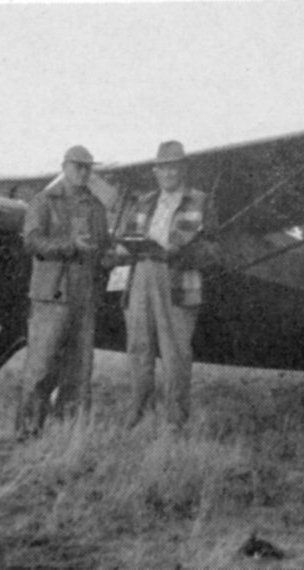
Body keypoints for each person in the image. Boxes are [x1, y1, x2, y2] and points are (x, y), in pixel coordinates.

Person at [15, 145, 109, 440]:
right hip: (51, 294)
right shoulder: (44, 201)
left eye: (87, 167)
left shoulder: (96, 207)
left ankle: (69, 429)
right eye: (77, 166)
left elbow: (103, 247)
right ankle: (29, 428)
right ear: (64, 166)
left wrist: (121, 252)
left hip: (84, 295)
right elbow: (31, 242)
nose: (83, 172)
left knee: (80, 369)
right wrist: (69, 245)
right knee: (41, 365)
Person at [121, 140, 216, 431]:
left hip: (177, 276)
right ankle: (138, 409)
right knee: (138, 345)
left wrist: (179, 252)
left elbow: (213, 250)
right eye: (163, 167)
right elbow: (129, 238)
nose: (168, 173)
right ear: (155, 171)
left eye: (174, 166)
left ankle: (176, 418)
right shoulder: (145, 201)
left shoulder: (201, 200)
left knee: (175, 351)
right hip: (141, 274)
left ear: (183, 169)